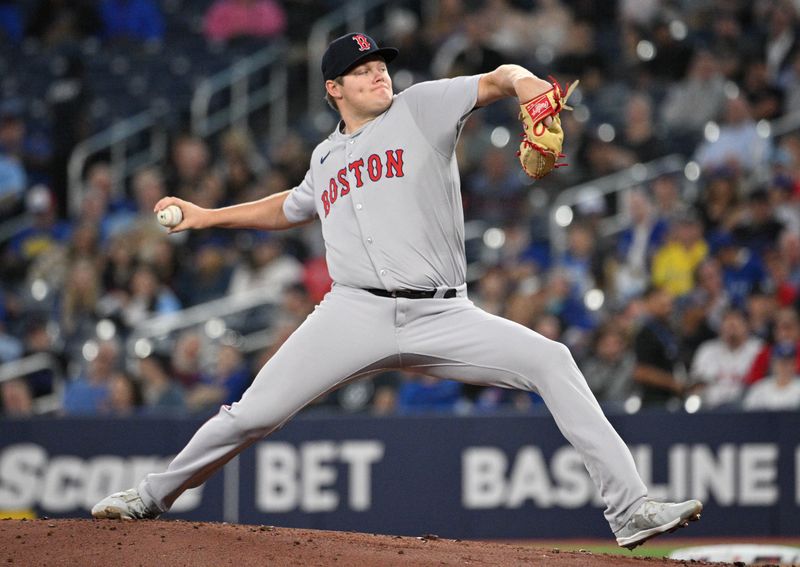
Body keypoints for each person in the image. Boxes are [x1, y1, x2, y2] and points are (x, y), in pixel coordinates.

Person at [91, 32, 702, 549]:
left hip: (444, 312)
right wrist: (205, 216)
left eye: (379, 63)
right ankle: (150, 497)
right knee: (251, 413)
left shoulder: (420, 108)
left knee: (552, 360)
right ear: (334, 88)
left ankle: (629, 511)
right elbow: (291, 206)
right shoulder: (326, 156)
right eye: (360, 70)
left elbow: (500, 76)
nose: (377, 72)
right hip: (351, 312)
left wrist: (529, 90)